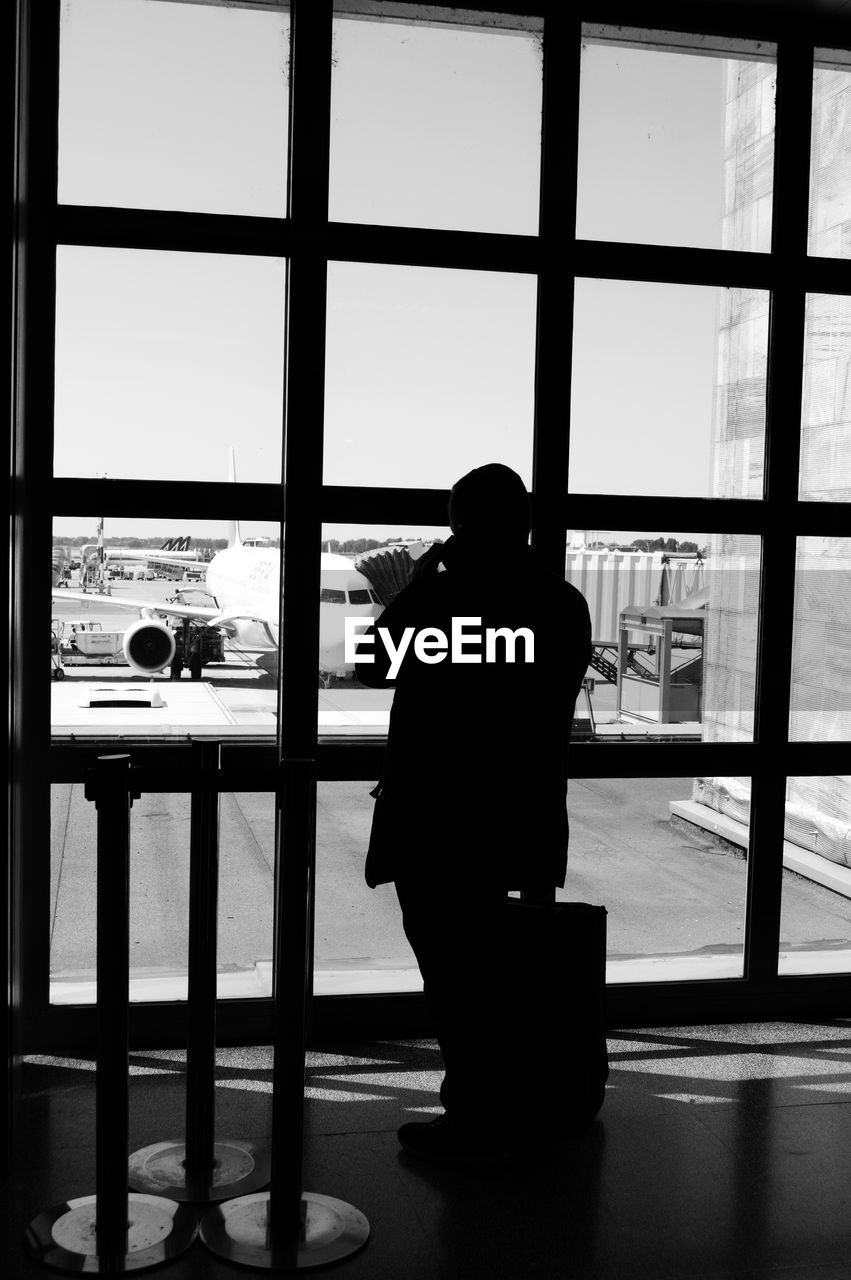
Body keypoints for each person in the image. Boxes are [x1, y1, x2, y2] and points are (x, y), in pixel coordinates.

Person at [356, 464, 592, 1169]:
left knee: (452, 971)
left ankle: (475, 1115)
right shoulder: (561, 601)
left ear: (463, 525)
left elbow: (372, 662)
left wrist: (419, 585)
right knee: (494, 965)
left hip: (441, 816)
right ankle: (509, 1099)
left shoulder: (449, 598)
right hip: (516, 812)